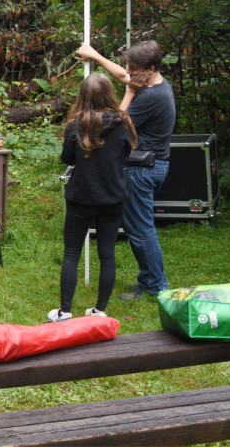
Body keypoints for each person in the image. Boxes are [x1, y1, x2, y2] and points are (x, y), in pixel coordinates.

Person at [75, 40, 175, 301]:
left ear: (149, 68)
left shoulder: (150, 97)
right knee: (140, 227)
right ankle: (149, 280)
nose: (127, 71)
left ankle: (155, 287)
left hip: (142, 171)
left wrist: (129, 94)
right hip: (153, 165)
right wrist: (95, 55)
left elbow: (115, 123)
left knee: (141, 229)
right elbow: (123, 76)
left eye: (132, 67)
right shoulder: (157, 83)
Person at [48, 73, 136, 322]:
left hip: (81, 197)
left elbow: (67, 158)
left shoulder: (77, 125)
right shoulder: (124, 123)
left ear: (83, 95)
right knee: (107, 254)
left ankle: (64, 311)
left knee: (71, 254)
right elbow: (127, 154)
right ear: (110, 93)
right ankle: (100, 310)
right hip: (112, 197)